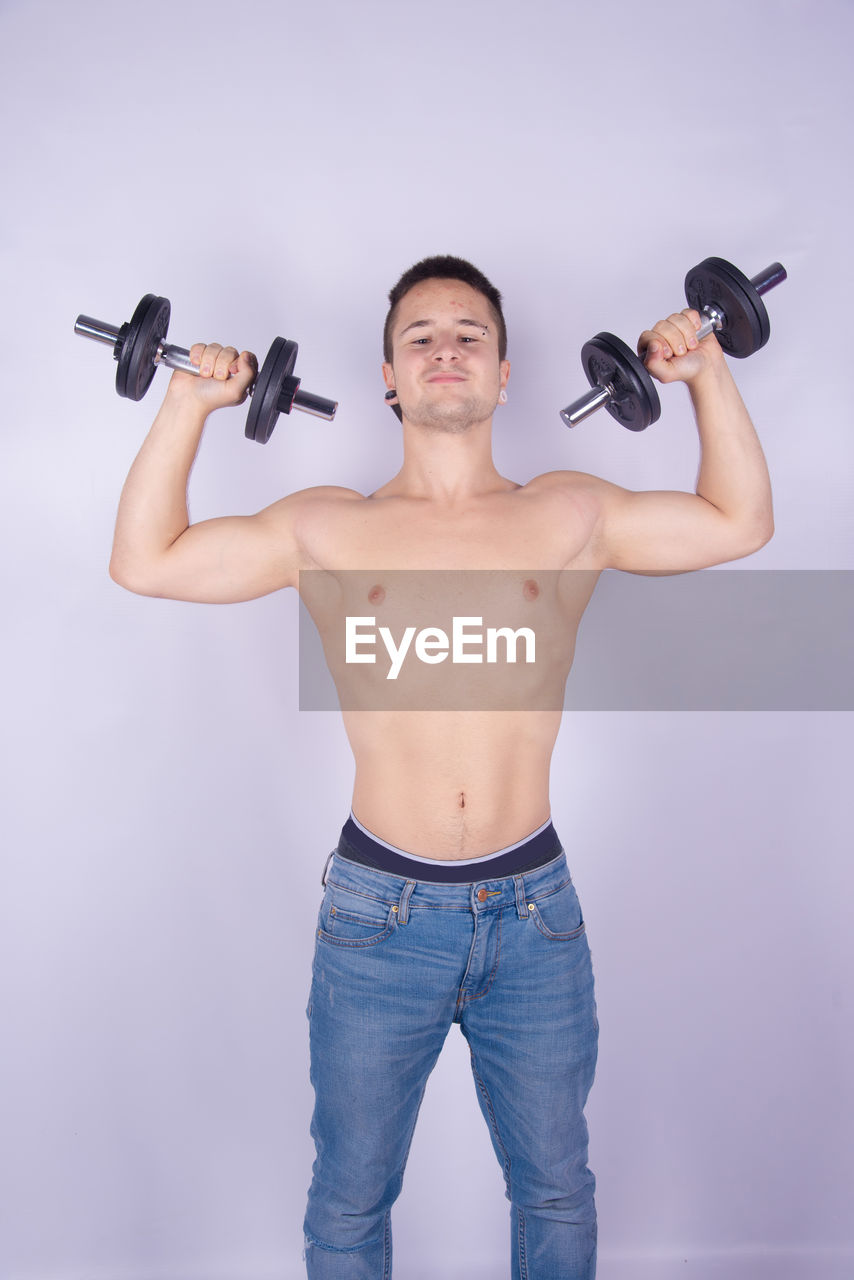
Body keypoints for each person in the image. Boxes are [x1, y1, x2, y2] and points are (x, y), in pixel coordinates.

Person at [109, 255, 774, 1279]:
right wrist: (189, 402)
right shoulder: (329, 524)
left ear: (504, 373)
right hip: (378, 920)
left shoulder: (568, 511)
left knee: (554, 1186)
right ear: (388, 377)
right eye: (419, 336)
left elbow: (739, 522)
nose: (446, 349)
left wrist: (705, 375)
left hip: (534, 916)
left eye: (468, 333)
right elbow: (145, 561)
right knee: (349, 1196)